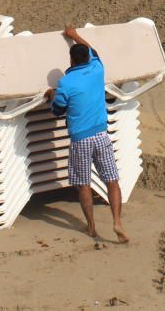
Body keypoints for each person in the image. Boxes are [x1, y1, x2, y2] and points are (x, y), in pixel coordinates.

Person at [44, 25, 129, 243]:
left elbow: (57, 111)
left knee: (83, 184)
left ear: (71, 62)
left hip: (80, 139)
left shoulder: (66, 83)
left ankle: (91, 227)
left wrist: (51, 95)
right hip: (101, 135)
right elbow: (95, 52)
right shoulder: (97, 69)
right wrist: (74, 36)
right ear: (88, 59)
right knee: (112, 180)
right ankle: (117, 222)